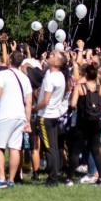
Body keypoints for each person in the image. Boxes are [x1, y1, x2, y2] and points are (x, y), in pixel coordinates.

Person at [0, 50, 32, 189]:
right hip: (20, 116)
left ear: (10, 61)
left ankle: (1, 179)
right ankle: (11, 179)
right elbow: (28, 102)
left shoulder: (3, 74)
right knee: (14, 148)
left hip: (5, 115)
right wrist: (27, 121)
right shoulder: (25, 78)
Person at [67, 62, 101, 186]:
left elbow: (73, 104)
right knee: (96, 151)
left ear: (85, 74)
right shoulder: (99, 88)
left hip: (82, 122)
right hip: (96, 123)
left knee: (75, 151)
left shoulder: (80, 87)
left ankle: (69, 178)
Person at [32, 51, 68, 187]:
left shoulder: (52, 78)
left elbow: (45, 101)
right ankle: (55, 175)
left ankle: (52, 179)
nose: (50, 55)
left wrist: (35, 108)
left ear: (57, 63)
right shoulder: (58, 76)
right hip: (54, 115)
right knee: (53, 147)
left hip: (45, 116)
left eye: (53, 56)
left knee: (49, 148)